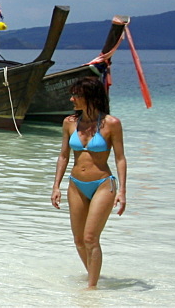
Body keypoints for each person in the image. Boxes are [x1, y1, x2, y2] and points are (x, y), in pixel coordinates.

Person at [51, 75, 127, 289]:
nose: (72, 99)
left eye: (76, 95)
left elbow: (120, 158)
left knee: (91, 238)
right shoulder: (69, 122)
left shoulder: (111, 124)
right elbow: (64, 155)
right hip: (76, 185)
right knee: (78, 240)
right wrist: (56, 186)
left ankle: (91, 290)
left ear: (90, 97)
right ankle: (94, 278)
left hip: (103, 184)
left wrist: (122, 190)